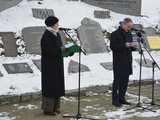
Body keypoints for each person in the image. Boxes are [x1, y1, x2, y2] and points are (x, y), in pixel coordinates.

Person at [110, 18, 137, 107]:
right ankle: (115, 100)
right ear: (123, 24)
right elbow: (113, 47)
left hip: (128, 60)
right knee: (117, 81)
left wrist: (134, 46)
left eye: (131, 27)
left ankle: (122, 98)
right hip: (118, 61)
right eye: (128, 26)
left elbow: (131, 47)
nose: (129, 28)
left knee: (125, 81)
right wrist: (125, 45)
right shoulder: (114, 34)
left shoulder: (129, 33)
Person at [41, 16, 65, 115]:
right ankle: (48, 109)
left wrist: (66, 50)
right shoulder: (46, 36)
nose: (58, 25)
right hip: (49, 66)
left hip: (57, 64)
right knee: (50, 86)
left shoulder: (57, 34)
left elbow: (59, 47)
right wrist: (61, 50)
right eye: (56, 24)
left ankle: (56, 107)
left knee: (57, 85)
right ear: (52, 24)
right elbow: (49, 51)